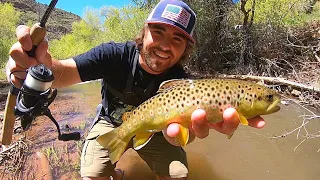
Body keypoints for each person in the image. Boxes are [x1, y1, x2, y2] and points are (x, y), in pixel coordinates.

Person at [7, 0, 265, 179]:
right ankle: (114, 172)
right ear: (144, 32)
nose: (165, 45)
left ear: (186, 49)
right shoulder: (113, 55)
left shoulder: (183, 81)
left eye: (177, 39)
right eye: (159, 32)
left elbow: (176, 134)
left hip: (155, 132)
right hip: (110, 123)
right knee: (92, 176)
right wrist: (38, 66)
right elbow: (63, 74)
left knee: (178, 175)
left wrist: (180, 135)